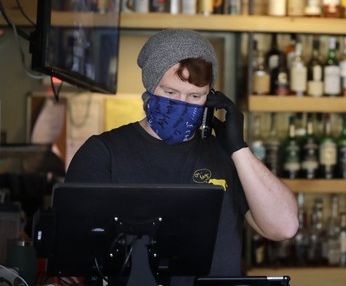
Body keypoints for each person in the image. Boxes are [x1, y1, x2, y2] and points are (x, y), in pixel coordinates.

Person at [65, 29, 298, 282]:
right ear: (150, 88)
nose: (182, 104)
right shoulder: (103, 152)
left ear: (211, 97)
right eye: (170, 93)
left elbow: (284, 226)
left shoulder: (227, 156)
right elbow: (75, 247)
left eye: (195, 96)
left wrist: (238, 148)